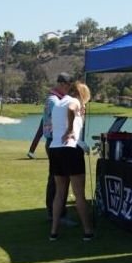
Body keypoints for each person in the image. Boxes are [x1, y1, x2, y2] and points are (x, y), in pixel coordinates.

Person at [48, 81, 93, 241]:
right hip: (70, 149)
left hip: (55, 149)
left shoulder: (59, 102)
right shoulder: (73, 102)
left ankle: (54, 231)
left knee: (60, 193)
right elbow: (72, 109)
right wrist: (70, 130)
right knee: (79, 194)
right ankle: (88, 230)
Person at [40, 73, 76, 225]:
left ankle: (53, 212)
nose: (68, 90)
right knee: (59, 180)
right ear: (62, 84)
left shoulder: (57, 100)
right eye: (68, 86)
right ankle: (58, 214)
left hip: (56, 143)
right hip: (56, 143)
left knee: (56, 179)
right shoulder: (54, 101)